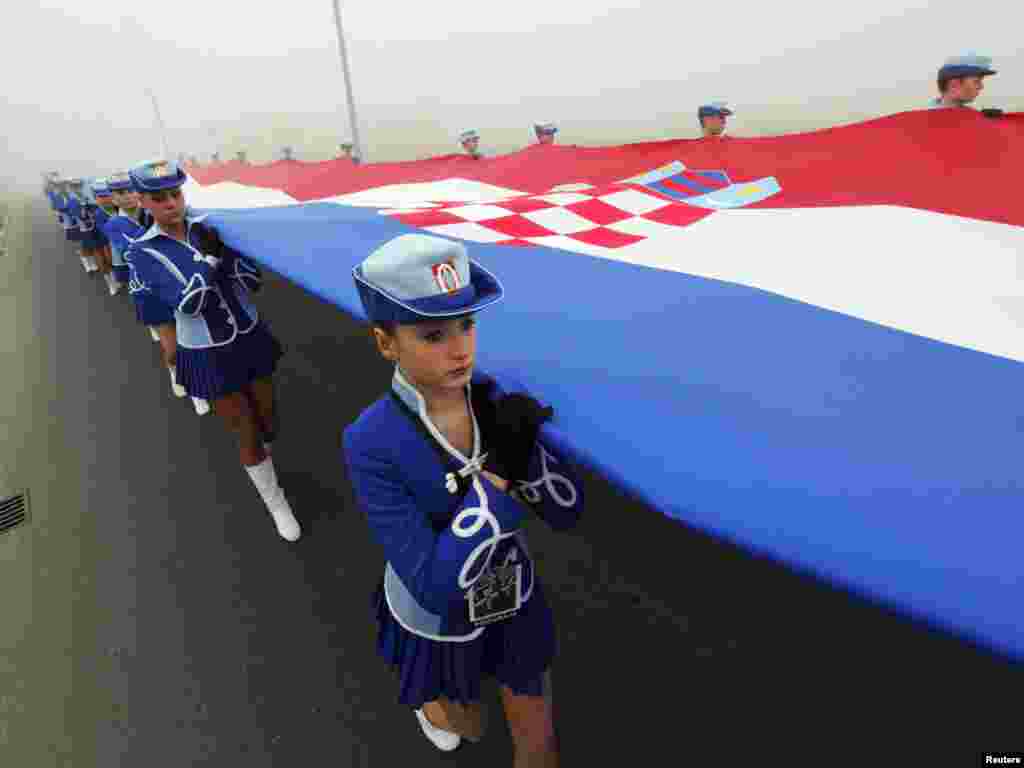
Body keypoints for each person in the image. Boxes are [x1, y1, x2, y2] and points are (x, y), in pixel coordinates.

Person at [342, 233, 583, 764]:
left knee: (539, 743)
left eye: (467, 325)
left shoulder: (493, 399)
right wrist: (499, 473)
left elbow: (567, 512)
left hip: (514, 595)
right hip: (439, 620)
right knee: (468, 728)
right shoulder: (368, 441)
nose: (461, 349)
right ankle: (432, 706)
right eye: (433, 335)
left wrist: (530, 455)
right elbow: (432, 585)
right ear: (386, 343)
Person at [125, 158, 300, 541]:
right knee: (246, 432)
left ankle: (266, 459)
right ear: (145, 204)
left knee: (269, 419)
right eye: (159, 198)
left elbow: (253, 281)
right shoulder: (142, 252)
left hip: (250, 336)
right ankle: (276, 503)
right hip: (207, 350)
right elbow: (188, 304)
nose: (170, 203)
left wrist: (237, 254)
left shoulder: (211, 227)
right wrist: (209, 260)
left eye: (174, 194)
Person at [930, 53, 997, 110]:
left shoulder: (971, 116)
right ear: (954, 85)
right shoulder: (926, 120)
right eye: (976, 81)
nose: (981, 87)